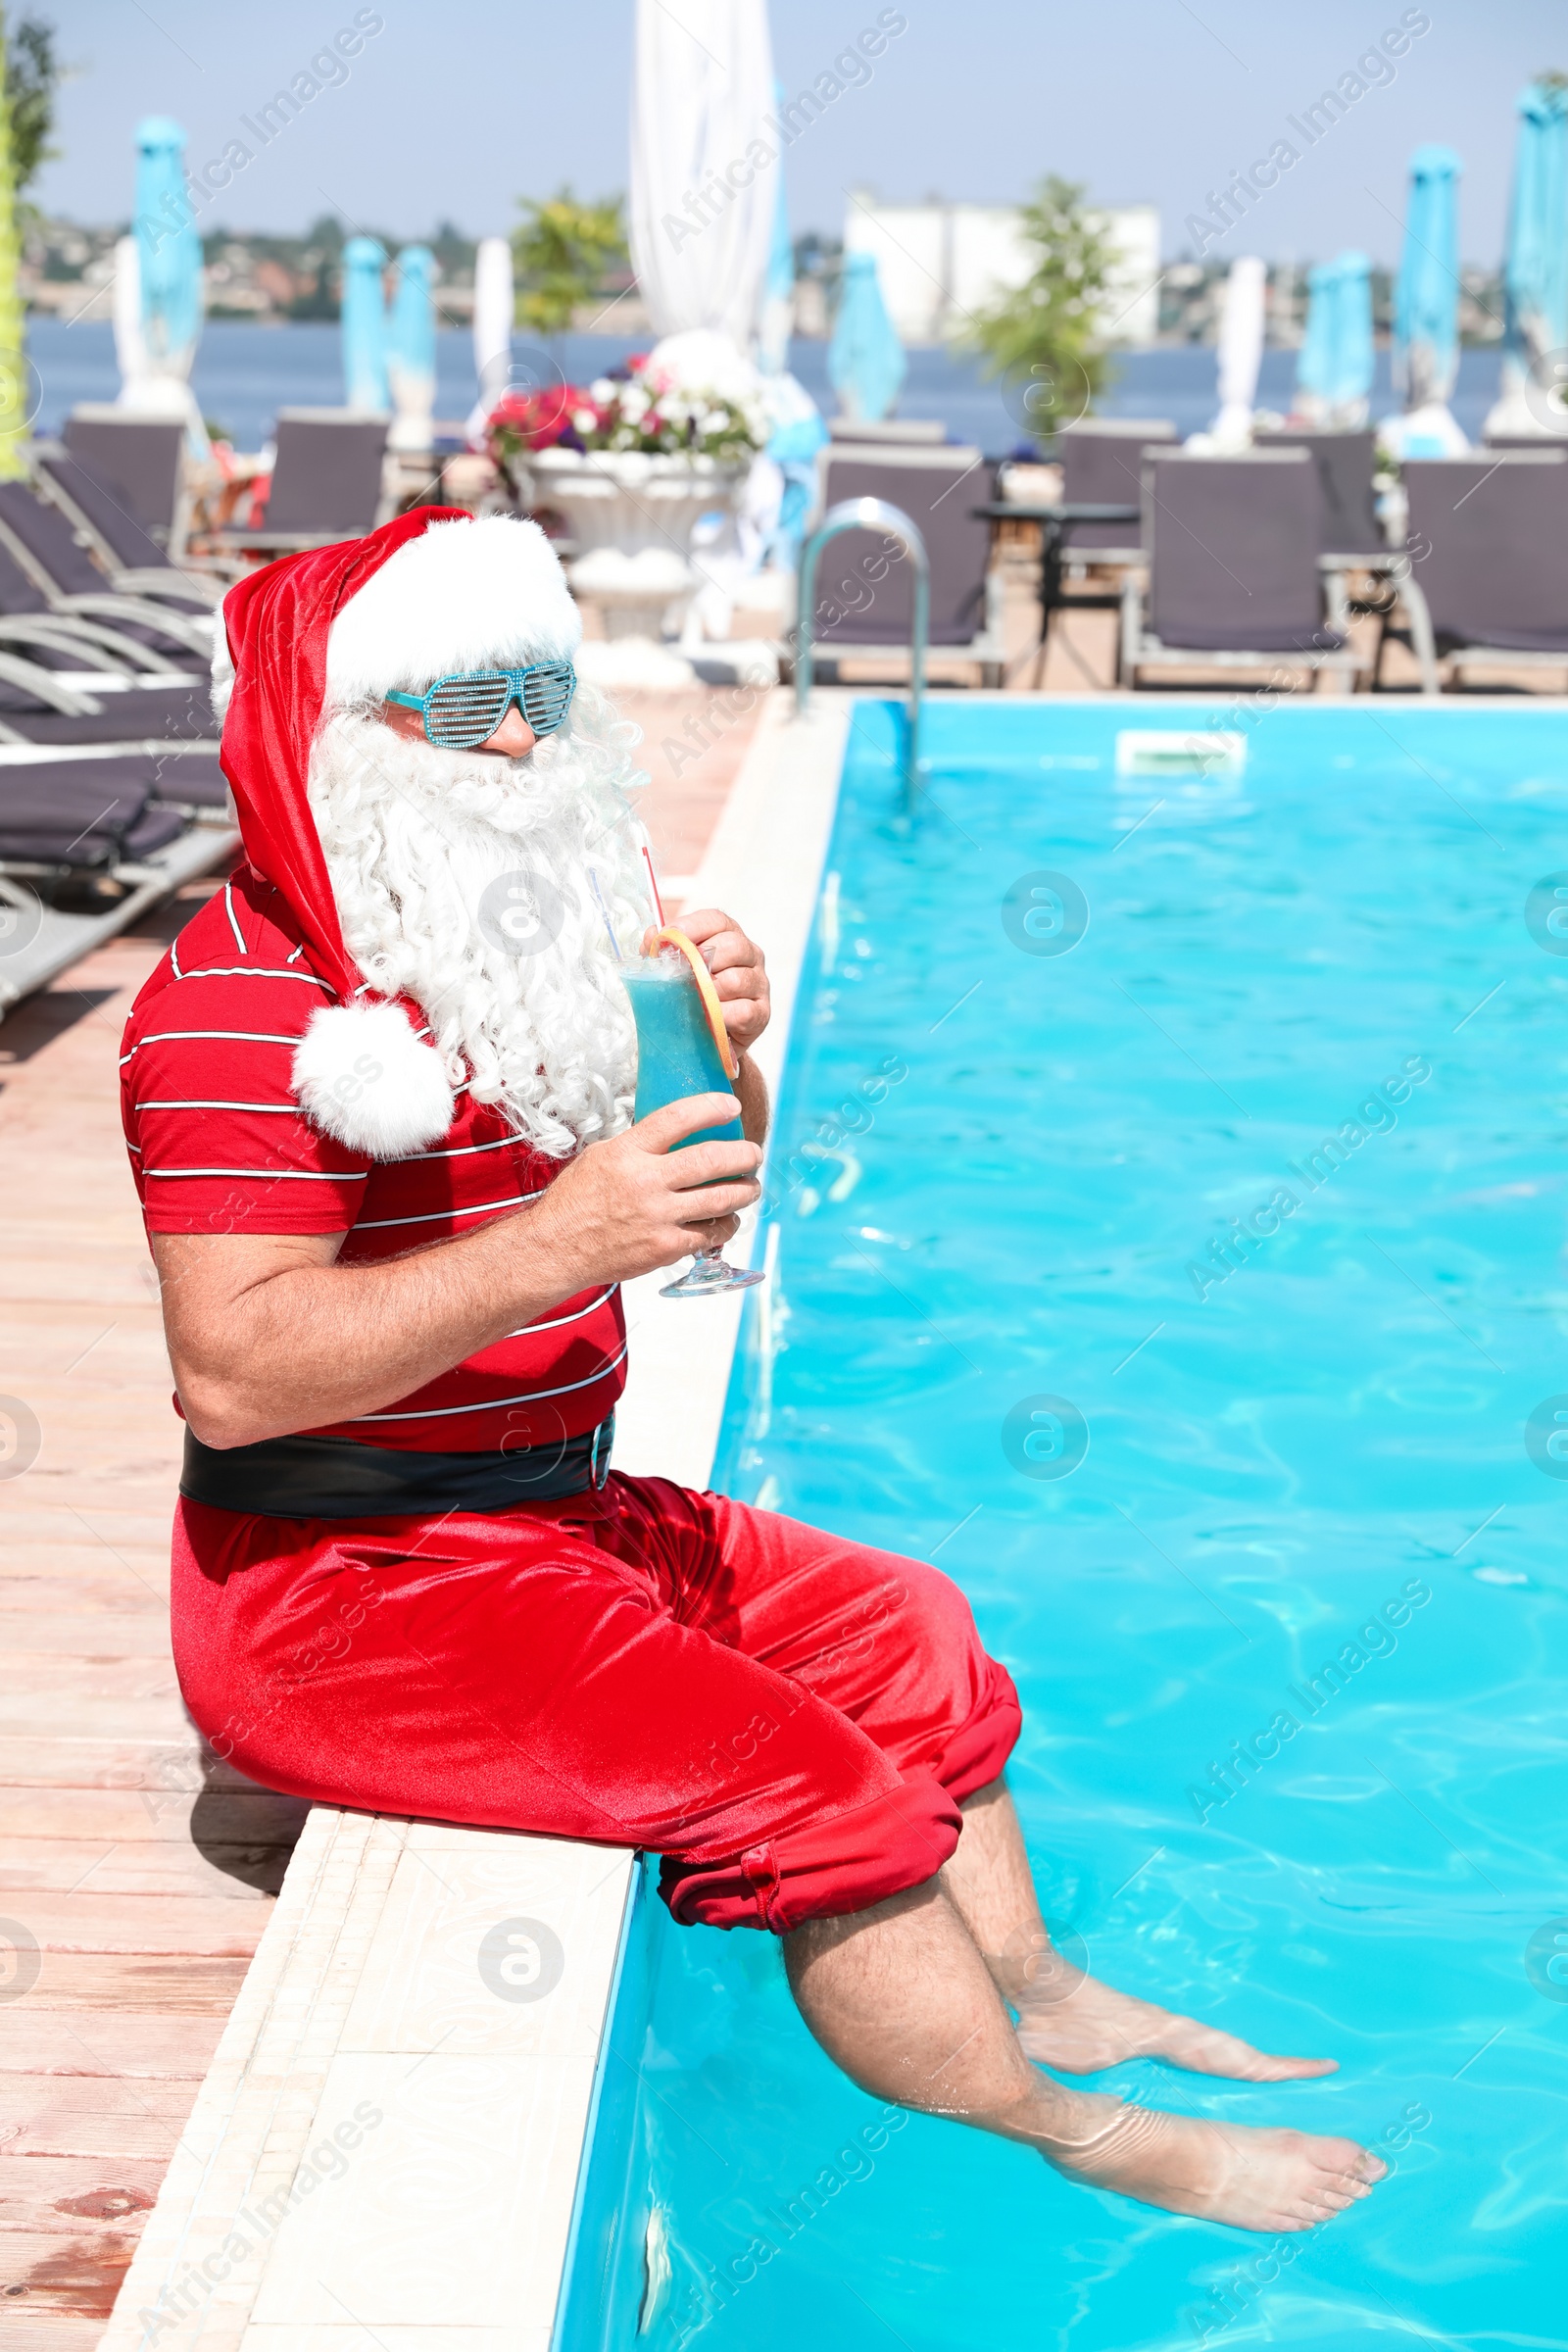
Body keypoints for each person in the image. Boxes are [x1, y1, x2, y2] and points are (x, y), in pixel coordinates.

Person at [122, 510, 1384, 2234]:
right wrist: (561, 1242)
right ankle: (1080, 2134)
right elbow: (237, 1375)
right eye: (465, 697)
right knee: (809, 1784)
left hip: (552, 1517)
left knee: (912, 1628)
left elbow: (706, 1188)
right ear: (334, 736)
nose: (519, 737)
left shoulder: (509, 945)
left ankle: (1037, 1981)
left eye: (544, 690)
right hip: (341, 1591)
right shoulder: (234, 1010)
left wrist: (725, 1054)